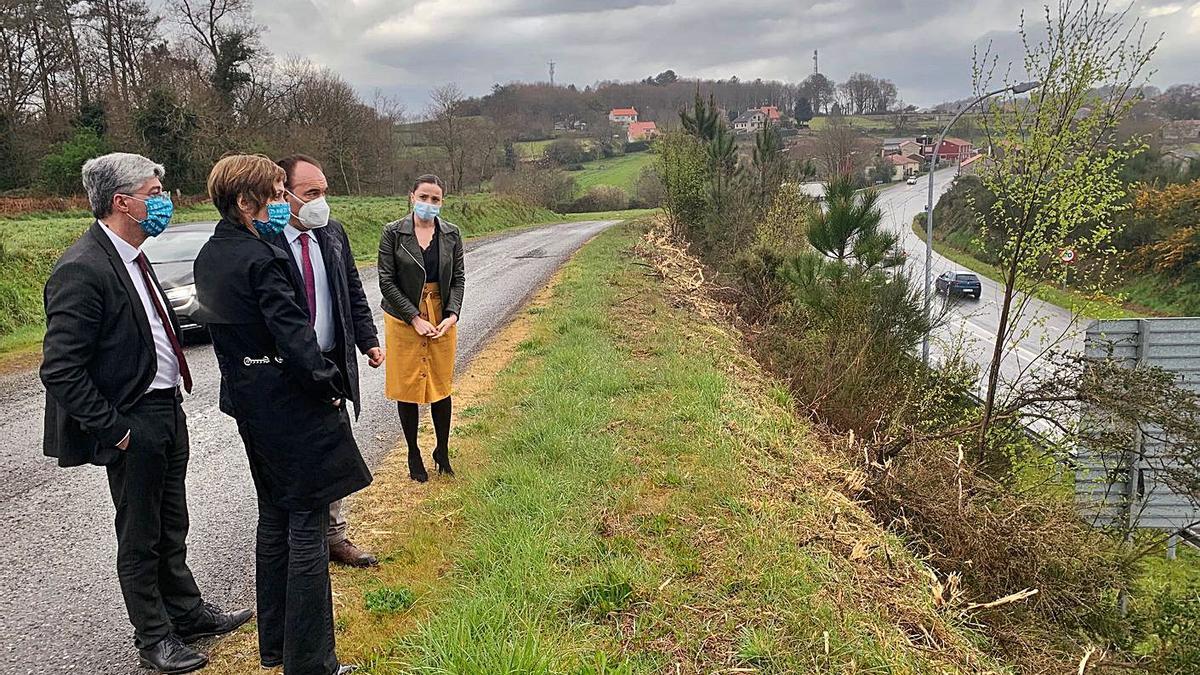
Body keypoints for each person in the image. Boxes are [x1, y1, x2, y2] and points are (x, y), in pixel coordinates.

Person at [40, 152, 251, 674]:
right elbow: (60, 369)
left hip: (166, 408)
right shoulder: (82, 269)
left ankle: (187, 613)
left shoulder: (135, 256)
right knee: (139, 532)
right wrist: (116, 430)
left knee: (170, 521)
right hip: (132, 420)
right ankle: (154, 637)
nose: (165, 202)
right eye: (155, 193)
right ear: (122, 202)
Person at [193, 154, 368, 675]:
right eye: (275, 193)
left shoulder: (211, 254)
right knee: (306, 527)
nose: (282, 205)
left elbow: (227, 339)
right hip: (293, 409)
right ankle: (314, 663)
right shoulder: (265, 258)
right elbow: (295, 340)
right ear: (246, 202)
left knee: (273, 519)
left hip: (252, 405)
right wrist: (330, 384)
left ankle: (277, 647)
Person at [266, 154, 383, 568]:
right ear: (285, 194)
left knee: (335, 452)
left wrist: (368, 340)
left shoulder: (331, 233)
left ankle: (334, 535)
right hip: (288, 368)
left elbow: (352, 288)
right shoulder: (267, 239)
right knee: (297, 457)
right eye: (311, 193)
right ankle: (298, 541)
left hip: (331, 362)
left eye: (324, 192)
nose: (321, 201)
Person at [378, 174, 465, 482]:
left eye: (436, 199)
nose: (429, 204)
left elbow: (458, 280)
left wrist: (451, 314)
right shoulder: (393, 233)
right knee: (408, 385)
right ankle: (413, 452)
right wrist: (413, 317)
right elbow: (386, 281)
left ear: (442, 202)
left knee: (441, 385)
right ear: (411, 197)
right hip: (404, 316)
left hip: (440, 314)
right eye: (424, 197)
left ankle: (442, 450)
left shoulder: (452, 234)